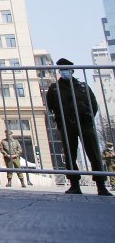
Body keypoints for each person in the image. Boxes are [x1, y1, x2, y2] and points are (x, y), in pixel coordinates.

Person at [45, 58, 111, 195]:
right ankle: (74, 184)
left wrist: (88, 117)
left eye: (67, 70)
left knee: (94, 154)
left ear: (72, 71)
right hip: (67, 124)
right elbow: (51, 106)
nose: (64, 72)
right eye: (62, 70)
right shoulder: (54, 89)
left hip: (85, 124)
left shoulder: (82, 86)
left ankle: (101, 185)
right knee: (70, 154)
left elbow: (93, 105)